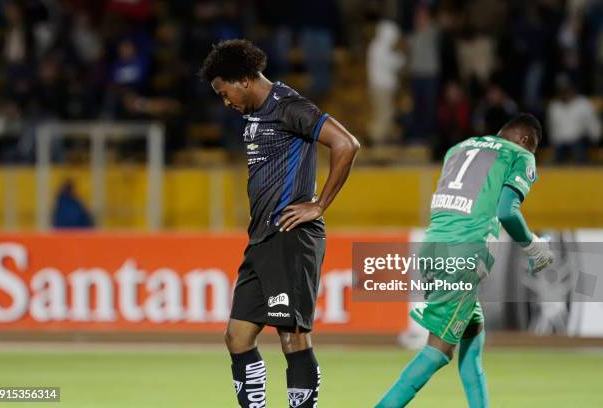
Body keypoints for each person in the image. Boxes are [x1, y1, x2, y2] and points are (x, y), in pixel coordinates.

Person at [199, 39, 360, 408]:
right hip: (261, 240)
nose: (226, 103)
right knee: (237, 337)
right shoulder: (254, 115)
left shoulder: (287, 105)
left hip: (291, 236)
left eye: (225, 93)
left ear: (243, 80)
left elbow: (346, 144)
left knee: (293, 337)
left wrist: (319, 205)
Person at [376, 113, 555, 408]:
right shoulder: (520, 154)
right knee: (440, 350)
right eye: (532, 148)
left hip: (432, 247)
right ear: (525, 140)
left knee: (472, 342)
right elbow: (507, 212)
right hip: (465, 254)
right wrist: (533, 246)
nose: (530, 154)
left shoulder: (458, 148)